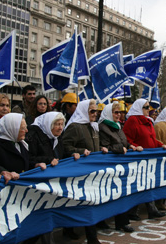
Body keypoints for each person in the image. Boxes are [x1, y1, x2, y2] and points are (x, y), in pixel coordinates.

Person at [62, 99, 105, 244]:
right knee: (86, 203)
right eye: (92, 111)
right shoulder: (75, 127)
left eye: (96, 111)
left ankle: (73, 231)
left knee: (88, 203)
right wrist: (80, 151)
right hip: (79, 172)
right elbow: (65, 146)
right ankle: (91, 237)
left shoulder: (93, 127)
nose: (95, 114)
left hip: (92, 171)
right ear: (83, 111)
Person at [98, 102, 143, 232]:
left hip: (120, 165)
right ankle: (105, 221)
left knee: (121, 193)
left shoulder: (117, 126)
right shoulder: (103, 127)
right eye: (115, 112)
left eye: (120, 112)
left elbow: (123, 141)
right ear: (108, 113)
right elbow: (105, 146)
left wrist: (130, 146)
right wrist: (120, 148)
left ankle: (122, 222)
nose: (119, 115)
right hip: (109, 166)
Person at [25, 111, 67, 244]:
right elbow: (29, 158)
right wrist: (48, 160)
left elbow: (64, 154)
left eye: (62, 124)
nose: (60, 128)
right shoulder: (34, 137)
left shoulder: (57, 138)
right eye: (57, 124)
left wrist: (76, 153)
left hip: (52, 184)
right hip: (39, 185)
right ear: (49, 125)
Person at [122, 99, 166, 220]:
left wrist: (160, 145)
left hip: (149, 159)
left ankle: (150, 210)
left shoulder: (148, 121)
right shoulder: (132, 121)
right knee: (139, 185)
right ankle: (134, 211)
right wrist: (135, 147)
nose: (149, 110)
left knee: (147, 184)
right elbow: (126, 139)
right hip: (138, 159)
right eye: (146, 107)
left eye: (149, 107)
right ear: (139, 108)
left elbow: (151, 139)